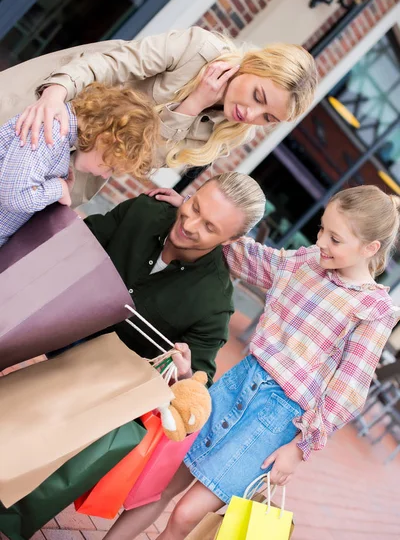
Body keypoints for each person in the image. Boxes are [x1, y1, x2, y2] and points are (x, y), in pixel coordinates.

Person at [103, 185, 400, 540]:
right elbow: (246, 255)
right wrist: (194, 213)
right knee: (157, 484)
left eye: (335, 238)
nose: (321, 241)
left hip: (275, 419)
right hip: (237, 384)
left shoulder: (375, 310)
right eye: (322, 229)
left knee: (185, 515)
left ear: (370, 249)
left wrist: (301, 446)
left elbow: (348, 390)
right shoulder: (305, 262)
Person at [0, 26, 318, 207]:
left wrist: (191, 106)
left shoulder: (230, 134)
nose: (251, 115)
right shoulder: (199, 49)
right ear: (253, 65)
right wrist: (54, 94)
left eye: (267, 118)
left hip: (79, 167)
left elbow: (144, 161)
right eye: (258, 97)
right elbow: (110, 64)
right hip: (60, 107)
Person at [67, 171, 266, 386]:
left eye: (209, 227)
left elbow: (197, 385)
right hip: (59, 320)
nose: (189, 225)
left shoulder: (214, 306)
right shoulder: (145, 210)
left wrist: (184, 375)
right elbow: (78, 243)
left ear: (230, 240)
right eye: (195, 207)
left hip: (98, 383)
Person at [0, 82, 158, 247]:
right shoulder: (51, 132)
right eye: (110, 167)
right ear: (104, 140)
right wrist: (59, 188)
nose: (104, 175)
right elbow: (16, 197)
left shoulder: (59, 137)